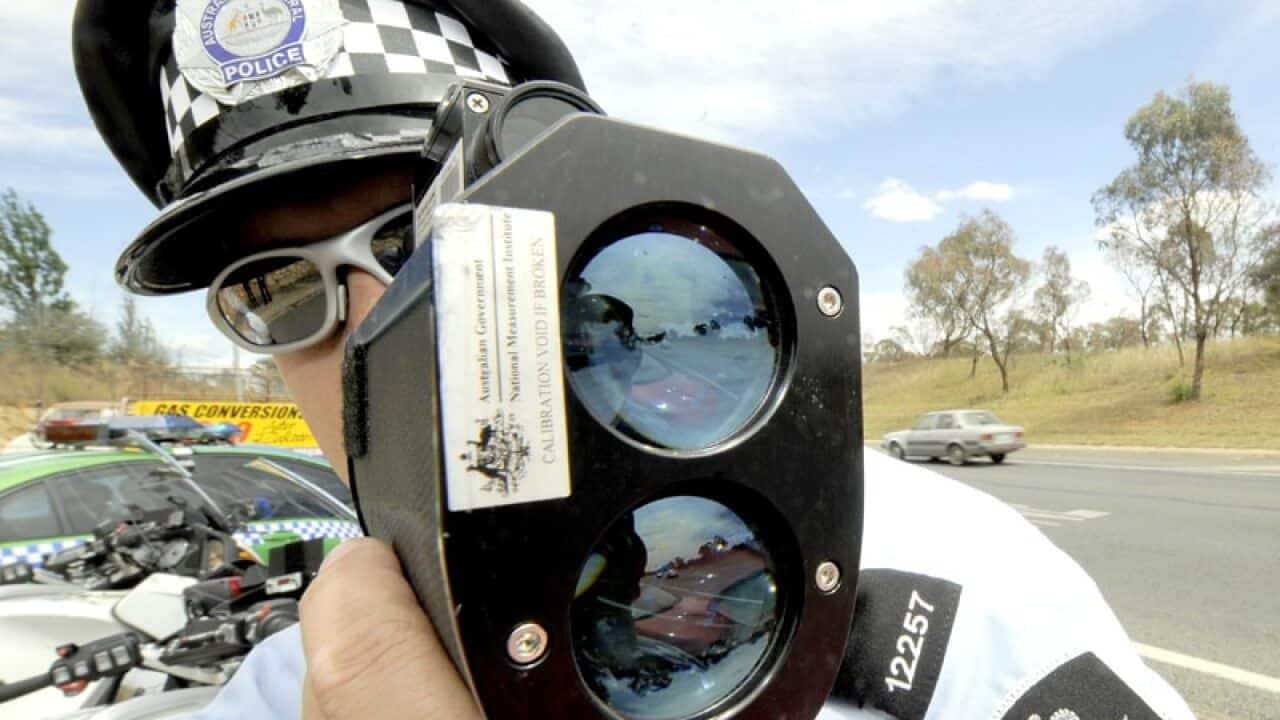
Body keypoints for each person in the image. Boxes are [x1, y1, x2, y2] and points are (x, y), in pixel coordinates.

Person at [73, 1, 1197, 718]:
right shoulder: (292, 686)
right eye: (275, 289)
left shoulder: (933, 588)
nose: (369, 323)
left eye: (421, 233)